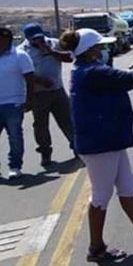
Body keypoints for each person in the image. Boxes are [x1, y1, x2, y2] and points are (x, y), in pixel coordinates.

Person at [61, 28, 133, 262]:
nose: (104, 49)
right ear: (89, 49)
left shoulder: (90, 70)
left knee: (127, 186)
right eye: (100, 46)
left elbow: (120, 78)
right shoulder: (91, 72)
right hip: (100, 142)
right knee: (100, 196)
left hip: (109, 139)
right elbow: (131, 80)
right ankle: (96, 248)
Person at [18, 22, 76, 165]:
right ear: (28, 39)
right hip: (38, 94)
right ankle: (45, 153)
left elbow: (70, 57)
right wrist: (39, 80)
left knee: (67, 120)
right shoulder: (21, 51)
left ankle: (77, 147)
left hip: (57, 90)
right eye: (34, 39)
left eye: (40, 37)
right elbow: (21, 73)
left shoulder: (54, 43)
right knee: (41, 125)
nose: (38, 41)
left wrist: (51, 51)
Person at [0, 26, 34, 179]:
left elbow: (30, 79)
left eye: (3, 40)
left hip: (14, 103)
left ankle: (15, 166)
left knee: (14, 136)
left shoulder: (20, 56)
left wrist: (29, 100)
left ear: (9, 40)